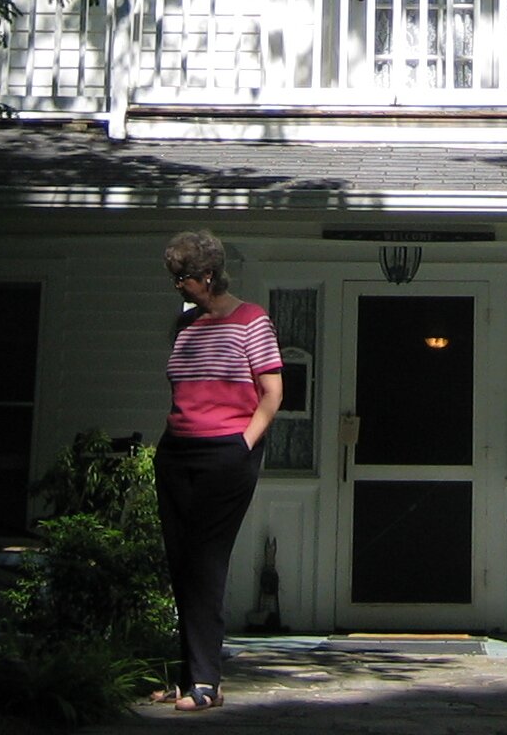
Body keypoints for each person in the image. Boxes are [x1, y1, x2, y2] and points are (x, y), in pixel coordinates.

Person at [153, 230, 283, 713]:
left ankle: (205, 682)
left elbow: (272, 394)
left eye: (183, 278)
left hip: (225, 455)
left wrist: (241, 446)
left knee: (206, 564)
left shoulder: (251, 320)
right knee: (181, 563)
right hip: (177, 453)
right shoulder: (186, 326)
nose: (178, 286)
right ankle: (189, 678)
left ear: (207, 276)